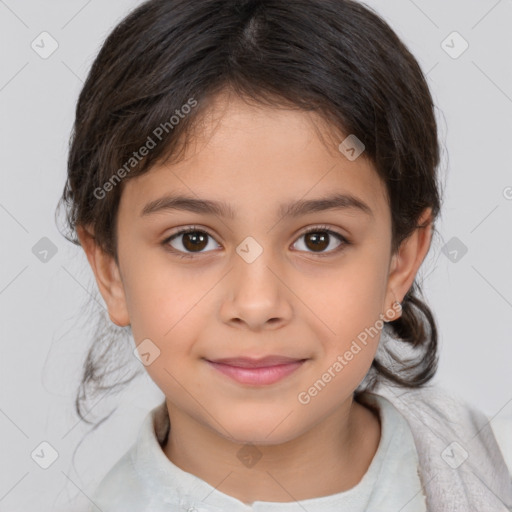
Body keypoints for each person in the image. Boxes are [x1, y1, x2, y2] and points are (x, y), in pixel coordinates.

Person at [57, 0, 512, 510]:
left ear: (399, 263)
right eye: (193, 240)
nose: (256, 304)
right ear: (110, 270)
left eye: (318, 239)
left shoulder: (489, 466)